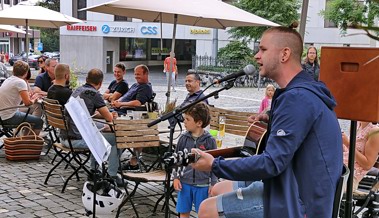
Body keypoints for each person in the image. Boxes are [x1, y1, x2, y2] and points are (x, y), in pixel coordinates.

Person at [191, 25, 343, 218]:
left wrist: (215, 165)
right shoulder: (303, 90)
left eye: (263, 49)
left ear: (284, 54)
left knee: (206, 209)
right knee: (217, 188)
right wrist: (272, 117)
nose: (256, 55)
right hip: (289, 182)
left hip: (299, 202)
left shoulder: (297, 98)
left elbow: (271, 163)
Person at [62, 68, 122, 185]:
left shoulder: (78, 90)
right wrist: (110, 115)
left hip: (66, 136)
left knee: (100, 133)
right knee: (117, 140)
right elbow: (109, 119)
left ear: (86, 79)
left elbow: (91, 114)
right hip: (77, 139)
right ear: (100, 83)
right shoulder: (94, 93)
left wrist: (106, 116)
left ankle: (94, 170)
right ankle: (112, 176)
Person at [173, 102, 217, 218]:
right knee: (183, 212)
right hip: (184, 183)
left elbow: (214, 164)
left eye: (187, 119)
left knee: (203, 213)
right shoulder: (183, 138)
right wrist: (176, 177)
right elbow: (177, 159)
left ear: (199, 123)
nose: (184, 122)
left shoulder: (209, 141)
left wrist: (213, 183)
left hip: (202, 185)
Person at [0, 60, 43, 135]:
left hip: (3, 114)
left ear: (13, 71)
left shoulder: (9, 79)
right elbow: (28, 103)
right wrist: (35, 99)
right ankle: (28, 143)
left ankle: (24, 137)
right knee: (39, 121)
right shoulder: (20, 82)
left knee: (33, 110)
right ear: (26, 72)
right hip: (8, 117)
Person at [342, 122, 379, 191]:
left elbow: (367, 165)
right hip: (340, 167)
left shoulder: (375, 132)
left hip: (350, 176)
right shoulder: (356, 124)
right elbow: (347, 152)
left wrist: (348, 144)